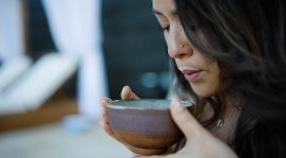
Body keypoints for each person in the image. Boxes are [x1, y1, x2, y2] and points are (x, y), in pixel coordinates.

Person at [101, 0, 286, 157]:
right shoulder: (189, 102)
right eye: (164, 26)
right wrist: (164, 147)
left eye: (193, 25)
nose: (173, 50)